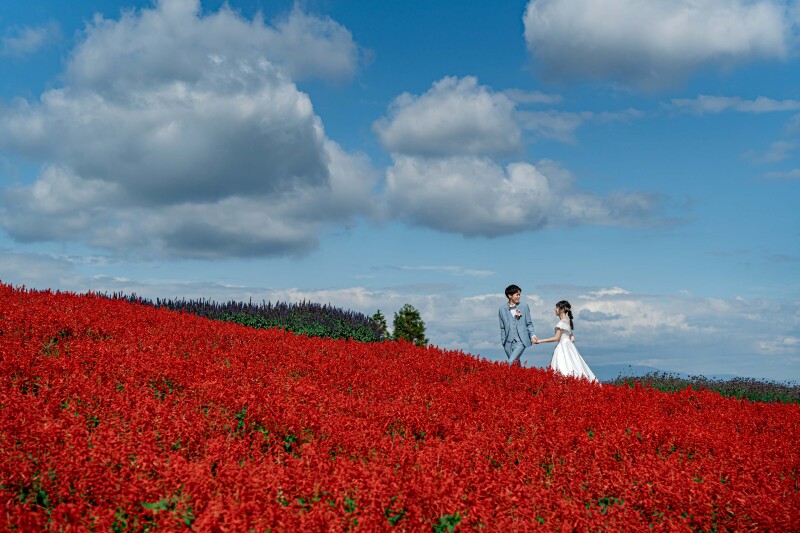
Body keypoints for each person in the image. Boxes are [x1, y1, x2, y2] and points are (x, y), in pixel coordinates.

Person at [534, 300, 598, 383]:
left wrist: (540, 340)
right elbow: (572, 338)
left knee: (562, 367)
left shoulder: (561, 323)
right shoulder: (568, 322)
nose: (555, 309)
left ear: (563, 309)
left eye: (557, 307)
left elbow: (556, 338)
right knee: (574, 366)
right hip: (569, 346)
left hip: (562, 346)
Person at [498, 284, 536, 366]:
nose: (519, 297)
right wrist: (503, 341)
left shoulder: (524, 306)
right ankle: (521, 378)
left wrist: (532, 335)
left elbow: (529, 323)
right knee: (516, 364)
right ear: (510, 296)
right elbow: (502, 327)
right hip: (508, 342)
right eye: (517, 295)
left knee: (510, 362)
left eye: (519, 295)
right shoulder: (502, 309)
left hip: (521, 341)